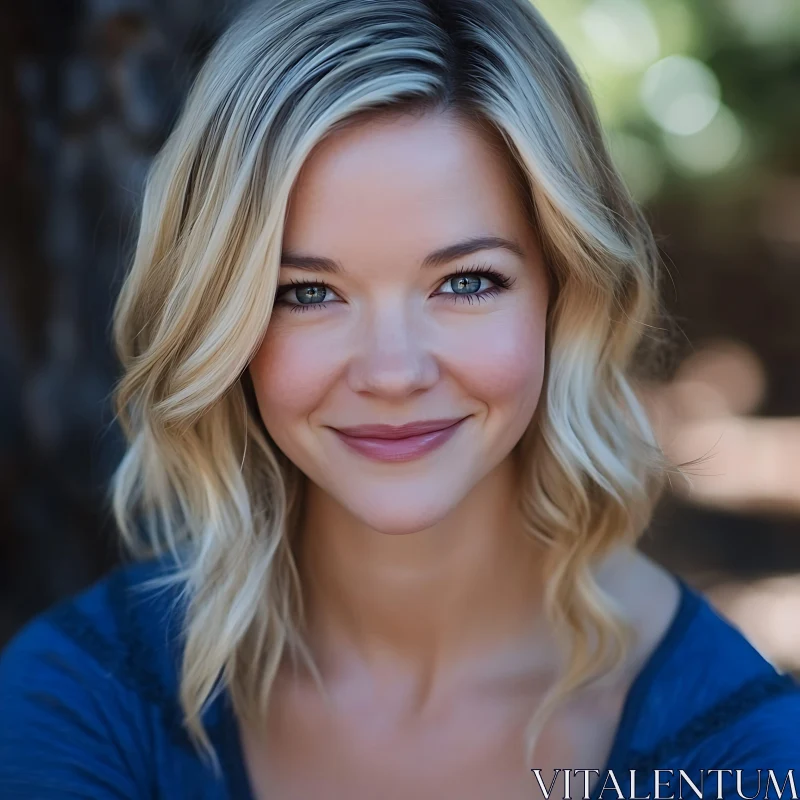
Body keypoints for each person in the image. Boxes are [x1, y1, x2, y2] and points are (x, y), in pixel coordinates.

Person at [1, 0, 798, 797]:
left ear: (567, 295)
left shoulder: (734, 754)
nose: (392, 372)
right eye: (307, 292)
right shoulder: (79, 702)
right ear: (224, 317)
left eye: (466, 282)